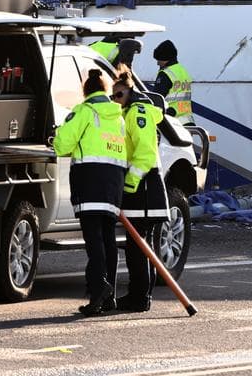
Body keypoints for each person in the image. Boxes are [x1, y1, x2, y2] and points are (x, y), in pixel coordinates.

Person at [53, 68, 127, 316]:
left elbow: (63, 145)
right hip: (113, 182)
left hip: (90, 179)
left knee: (93, 239)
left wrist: (55, 137)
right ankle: (109, 296)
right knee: (108, 239)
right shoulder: (118, 116)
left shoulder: (83, 112)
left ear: (85, 91)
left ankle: (98, 289)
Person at [111, 66, 169, 313]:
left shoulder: (138, 113)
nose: (115, 100)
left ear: (130, 91)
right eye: (112, 95)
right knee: (138, 245)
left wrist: (129, 185)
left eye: (119, 94)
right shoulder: (128, 113)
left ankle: (140, 298)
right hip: (142, 186)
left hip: (145, 186)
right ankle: (139, 295)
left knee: (137, 246)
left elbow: (144, 155)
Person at [152, 40, 193, 125]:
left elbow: (157, 98)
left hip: (172, 122)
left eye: (159, 59)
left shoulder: (166, 73)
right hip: (187, 121)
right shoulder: (183, 71)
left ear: (165, 58)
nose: (157, 63)